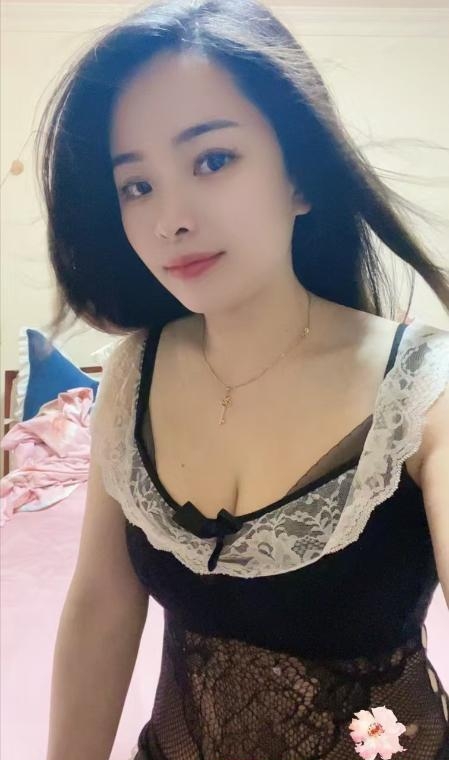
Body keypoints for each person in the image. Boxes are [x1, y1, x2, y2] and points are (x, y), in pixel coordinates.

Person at [37, 0, 449, 758]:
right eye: (137, 185)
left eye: (212, 160)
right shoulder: (132, 375)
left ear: (301, 177)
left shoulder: (424, 392)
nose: (170, 219)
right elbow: (100, 608)